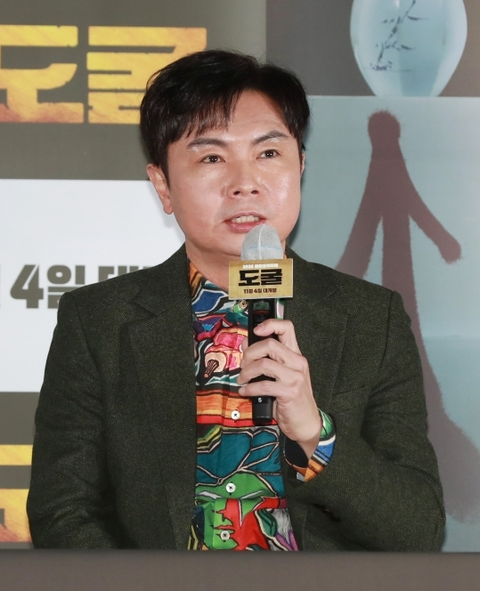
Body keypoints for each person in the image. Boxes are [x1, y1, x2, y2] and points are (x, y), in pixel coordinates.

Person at [27, 50, 445, 550]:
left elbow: (418, 530)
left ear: (300, 165)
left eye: (268, 154)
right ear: (162, 184)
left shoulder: (371, 319)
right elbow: (62, 512)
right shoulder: (99, 321)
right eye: (212, 158)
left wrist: (315, 434)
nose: (245, 183)